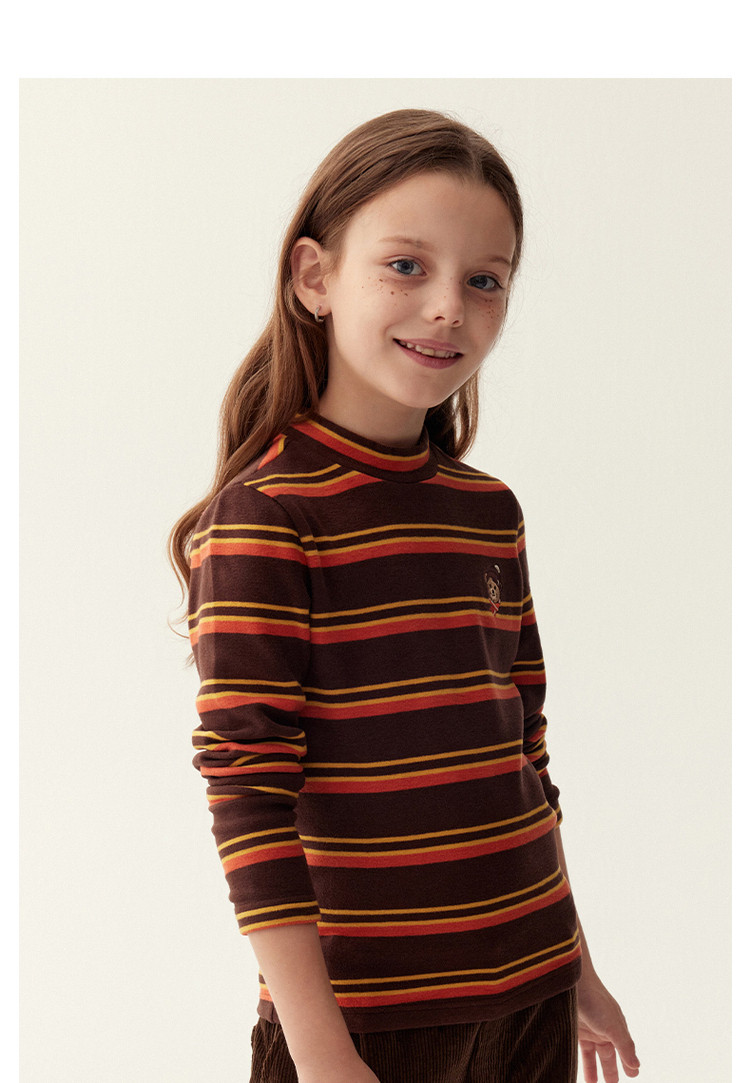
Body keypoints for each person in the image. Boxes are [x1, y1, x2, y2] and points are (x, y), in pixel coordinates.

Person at [170, 109, 640, 1083]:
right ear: (314, 277)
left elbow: (521, 759)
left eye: (484, 280)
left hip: (531, 994)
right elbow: (248, 793)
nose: (448, 309)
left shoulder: (489, 512)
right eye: (405, 266)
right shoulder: (270, 516)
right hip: (364, 1026)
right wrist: (320, 1051)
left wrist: (579, 966)